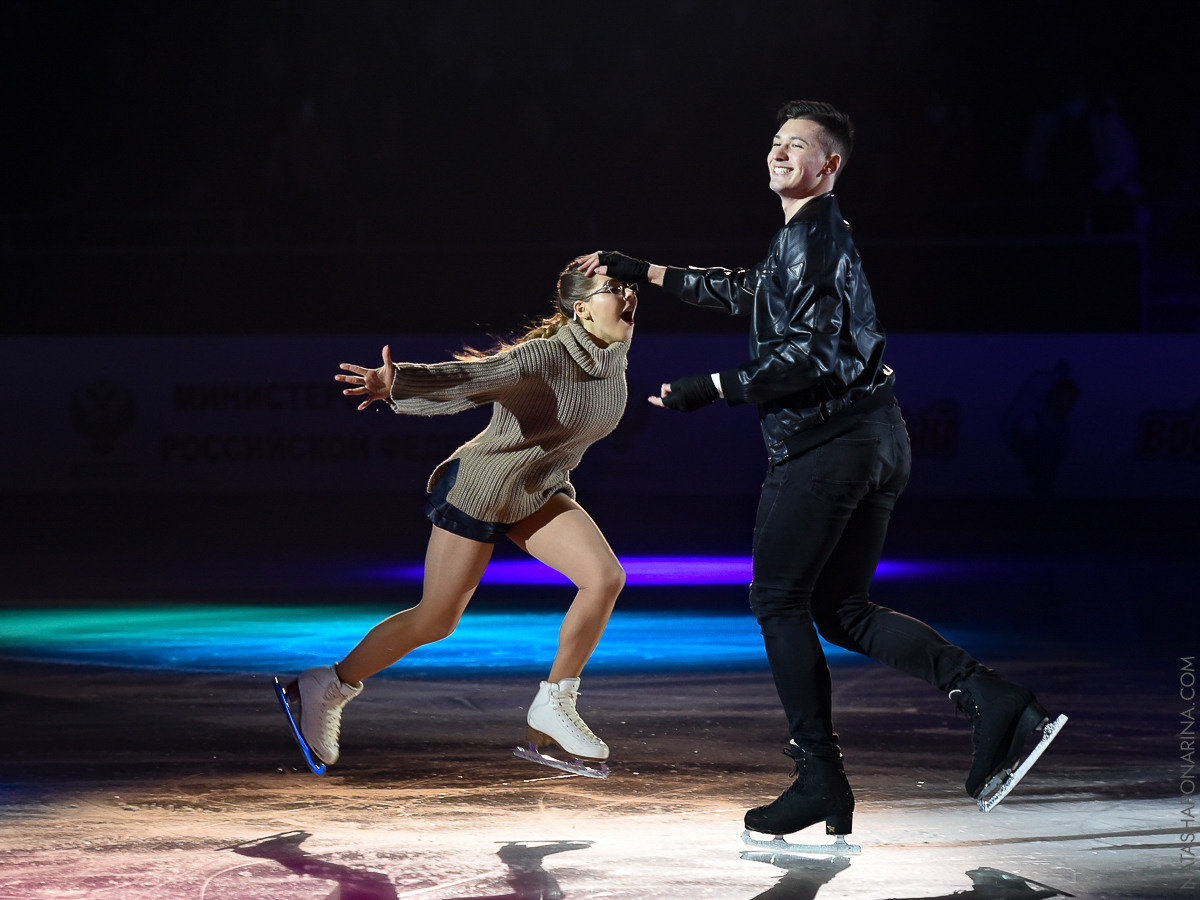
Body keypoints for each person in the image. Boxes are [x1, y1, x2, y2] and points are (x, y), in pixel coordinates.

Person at [581, 100, 1064, 839]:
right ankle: (990, 699)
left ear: (829, 164)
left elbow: (808, 355)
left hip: (827, 448)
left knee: (778, 601)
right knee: (841, 608)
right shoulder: (806, 241)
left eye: (797, 145)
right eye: (774, 142)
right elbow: (749, 295)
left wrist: (711, 389)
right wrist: (645, 269)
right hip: (874, 439)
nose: (779, 153)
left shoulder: (815, 240)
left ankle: (819, 775)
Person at [277, 258, 638, 777]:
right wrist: (397, 382)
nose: (626, 298)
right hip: (481, 491)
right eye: (613, 290)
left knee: (604, 578)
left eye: (628, 290)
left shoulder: (613, 354)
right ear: (581, 310)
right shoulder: (543, 356)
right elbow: (474, 375)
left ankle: (554, 704)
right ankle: (327, 685)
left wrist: (637, 270)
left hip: (536, 491)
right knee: (436, 619)